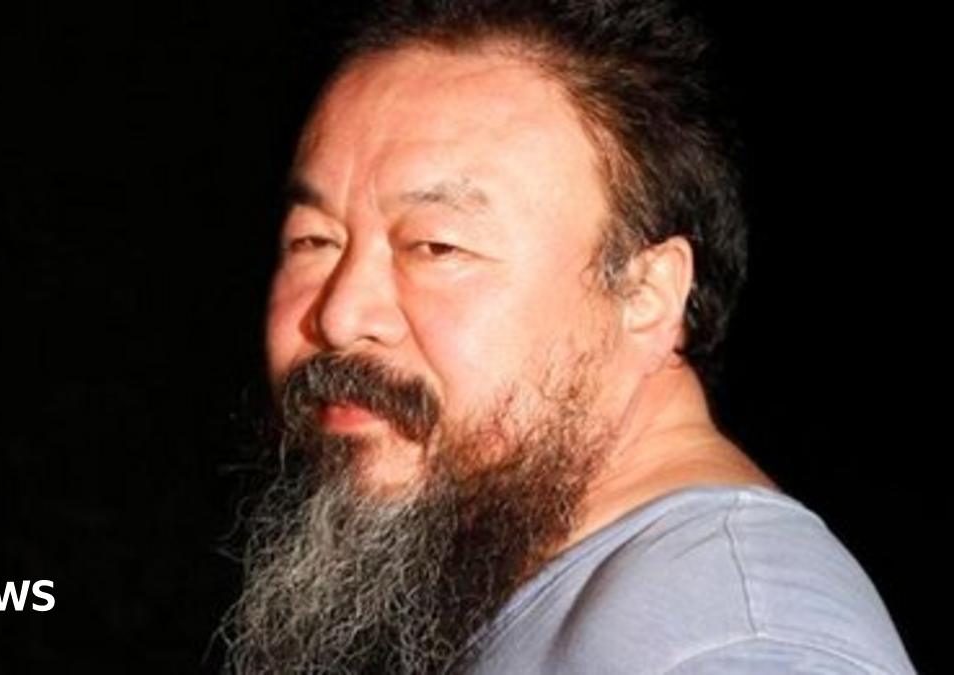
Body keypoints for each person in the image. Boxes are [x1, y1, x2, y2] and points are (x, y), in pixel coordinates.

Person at [220, 0, 915, 672]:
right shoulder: (525, 579)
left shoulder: (737, 647)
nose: (341, 316)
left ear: (645, 293)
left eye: (437, 246)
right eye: (312, 241)